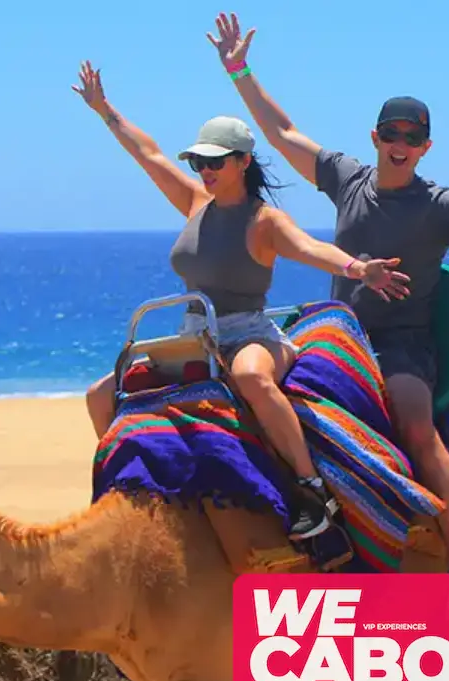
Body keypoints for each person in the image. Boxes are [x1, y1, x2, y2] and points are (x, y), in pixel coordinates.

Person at [206, 11, 449, 615]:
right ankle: (301, 517)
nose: (401, 145)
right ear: (375, 136)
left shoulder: (439, 204)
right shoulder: (348, 179)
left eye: (413, 137)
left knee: (414, 420)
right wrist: (240, 71)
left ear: (426, 147)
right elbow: (282, 134)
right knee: (250, 393)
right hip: (339, 335)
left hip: (403, 345)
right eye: (393, 133)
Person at [71, 60, 411, 542]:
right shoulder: (194, 203)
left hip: (248, 333)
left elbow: (311, 249)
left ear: (243, 162)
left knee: (252, 376)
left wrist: (359, 269)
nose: (205, 171)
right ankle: (126, 491)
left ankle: (312, 490)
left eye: (215, 162)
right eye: (199, 162)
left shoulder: (264, 221)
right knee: (100, 395)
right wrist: (106, 111)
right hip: (195, 337)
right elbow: (148, 155)